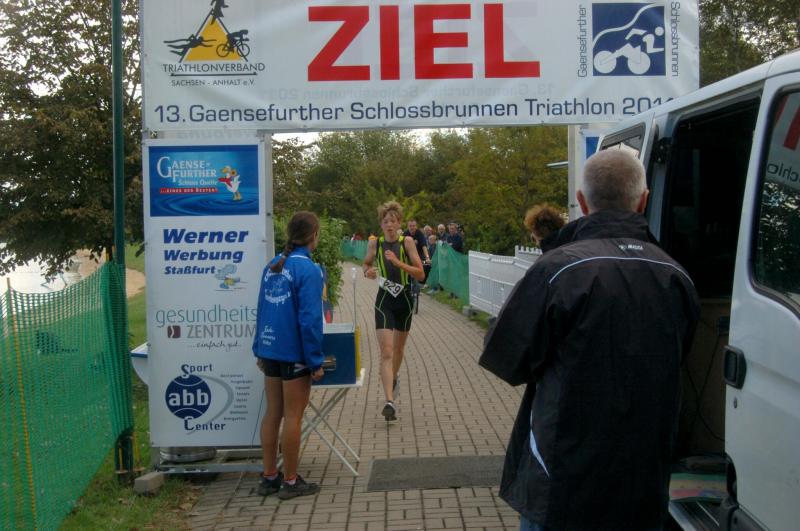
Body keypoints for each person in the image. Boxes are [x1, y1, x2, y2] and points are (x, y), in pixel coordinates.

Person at [479, 150, 700, 530]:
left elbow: (506, 358)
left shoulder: (556, 269)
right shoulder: (676, 276)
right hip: (643, 486)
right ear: (643, 201)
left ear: (581, 202)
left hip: (561, 485)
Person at [253, 211, 325, 500]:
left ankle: (270, 477)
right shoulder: (309, 270)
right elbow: (310, 320)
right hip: (293, 352)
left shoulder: (272, 265)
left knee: (273, 413)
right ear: (313, 235)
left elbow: (261, 309)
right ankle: (291, 482)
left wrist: (258, 348)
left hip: (270, 349)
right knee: (293, 416)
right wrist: (315, 360)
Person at [363, 201, 425, 421]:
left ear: (399, 224)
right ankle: (389, 401)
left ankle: (394, 377)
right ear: (381, 224)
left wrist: (399, 264)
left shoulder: (406, 242)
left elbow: (420, 274)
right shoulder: (375, 244)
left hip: (405, 301)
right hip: (384, 300)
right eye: (385, 221)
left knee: (398, 349)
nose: (389, 225)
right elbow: (366, 265)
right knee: (387, 351)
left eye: (393, 221)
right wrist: (368, 272)